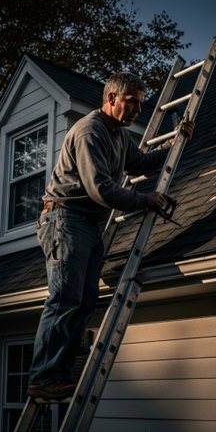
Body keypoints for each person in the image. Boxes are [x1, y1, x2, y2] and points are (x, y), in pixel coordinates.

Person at [27, 71, 195, 400]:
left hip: (88, 225)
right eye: (131, 102)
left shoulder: (118, 136)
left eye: (141, 104)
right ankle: (42, 377)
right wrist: (143, 200)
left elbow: (140, 164)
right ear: (111, 99)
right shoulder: (91, 130)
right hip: (65, 220)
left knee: (86, 300)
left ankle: (58, 374)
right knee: (64, 300)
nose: (137, 109)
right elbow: (100, 188)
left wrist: (174, 142)